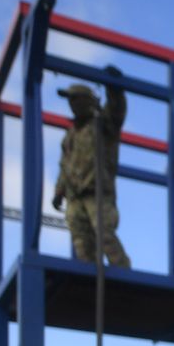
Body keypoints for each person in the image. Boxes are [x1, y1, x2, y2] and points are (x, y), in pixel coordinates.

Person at [51, 73, 131, 268]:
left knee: (105, 235)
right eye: (70, 99)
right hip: (75, 197)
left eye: (76, 98)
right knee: (82, 243)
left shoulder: (102, 125)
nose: (72, 103)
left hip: (97, 193)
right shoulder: (70, 135)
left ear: (87, 100)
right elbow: (64, 164)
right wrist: (59, 191)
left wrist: (114, 88)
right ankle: (88, 278)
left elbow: (117, 109)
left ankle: (123, 273)